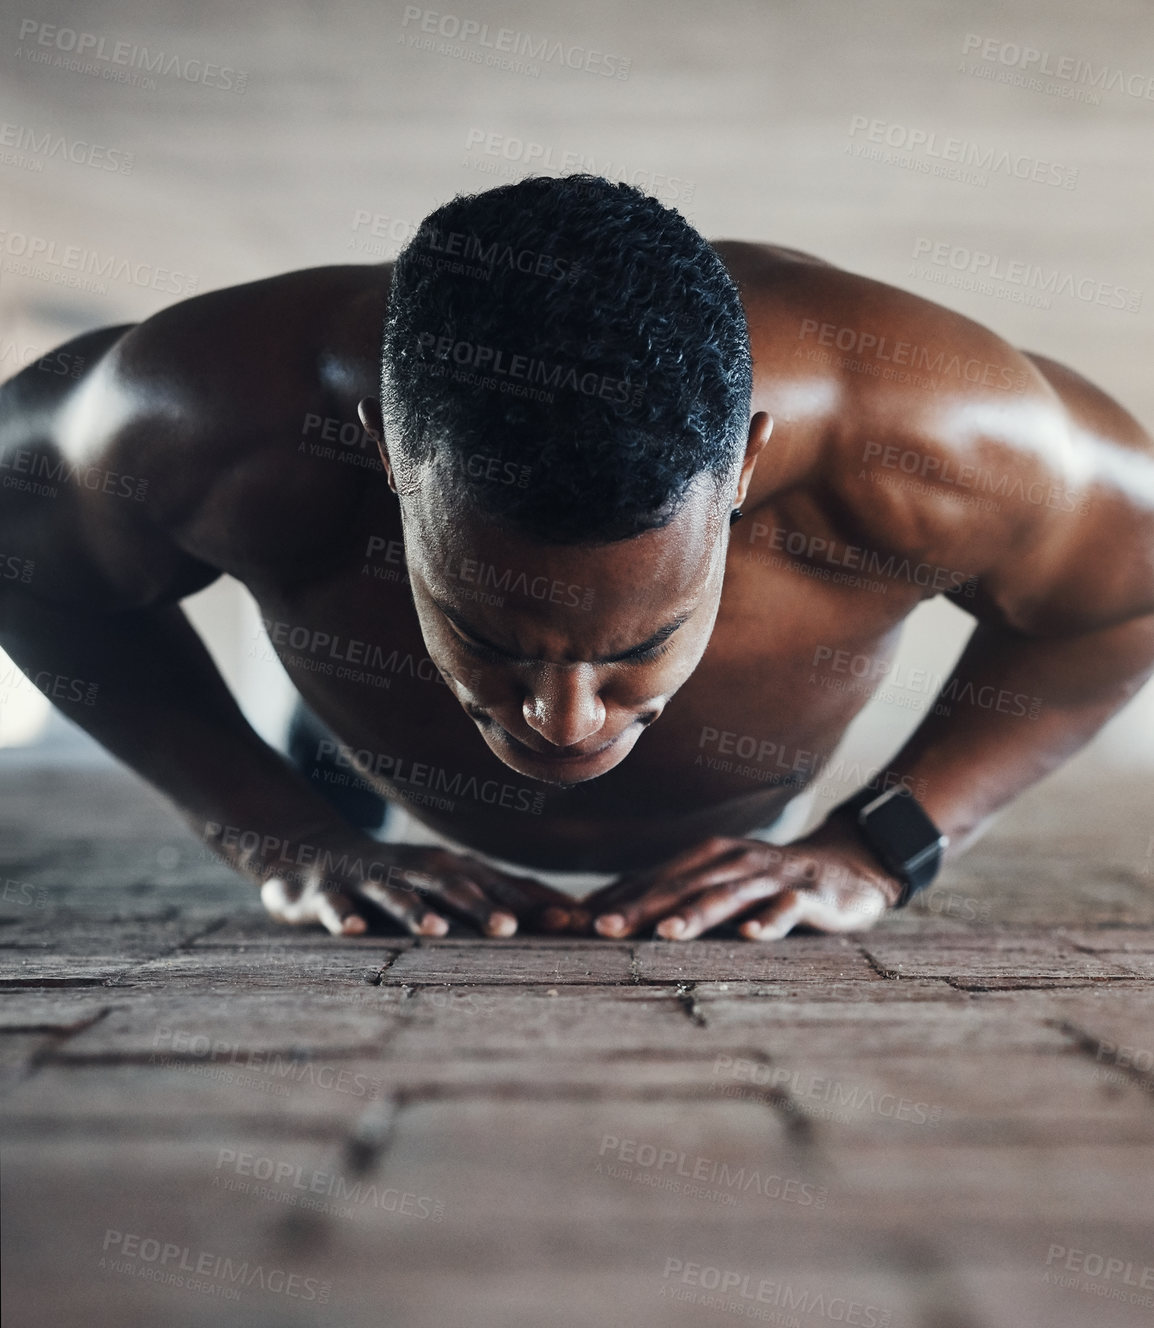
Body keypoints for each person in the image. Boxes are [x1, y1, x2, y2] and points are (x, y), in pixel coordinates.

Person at [2, 176, 1152, 941]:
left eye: (635, 648)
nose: (561, 722)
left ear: (743, 469)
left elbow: (1118, 606)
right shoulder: (212, 417)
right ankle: (332, 766)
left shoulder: (937, 439)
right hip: (360, 713)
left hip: (754, 801)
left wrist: (881, 841)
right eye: (492, 639)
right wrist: (279, 831)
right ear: (389, 459)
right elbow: (27, 564)